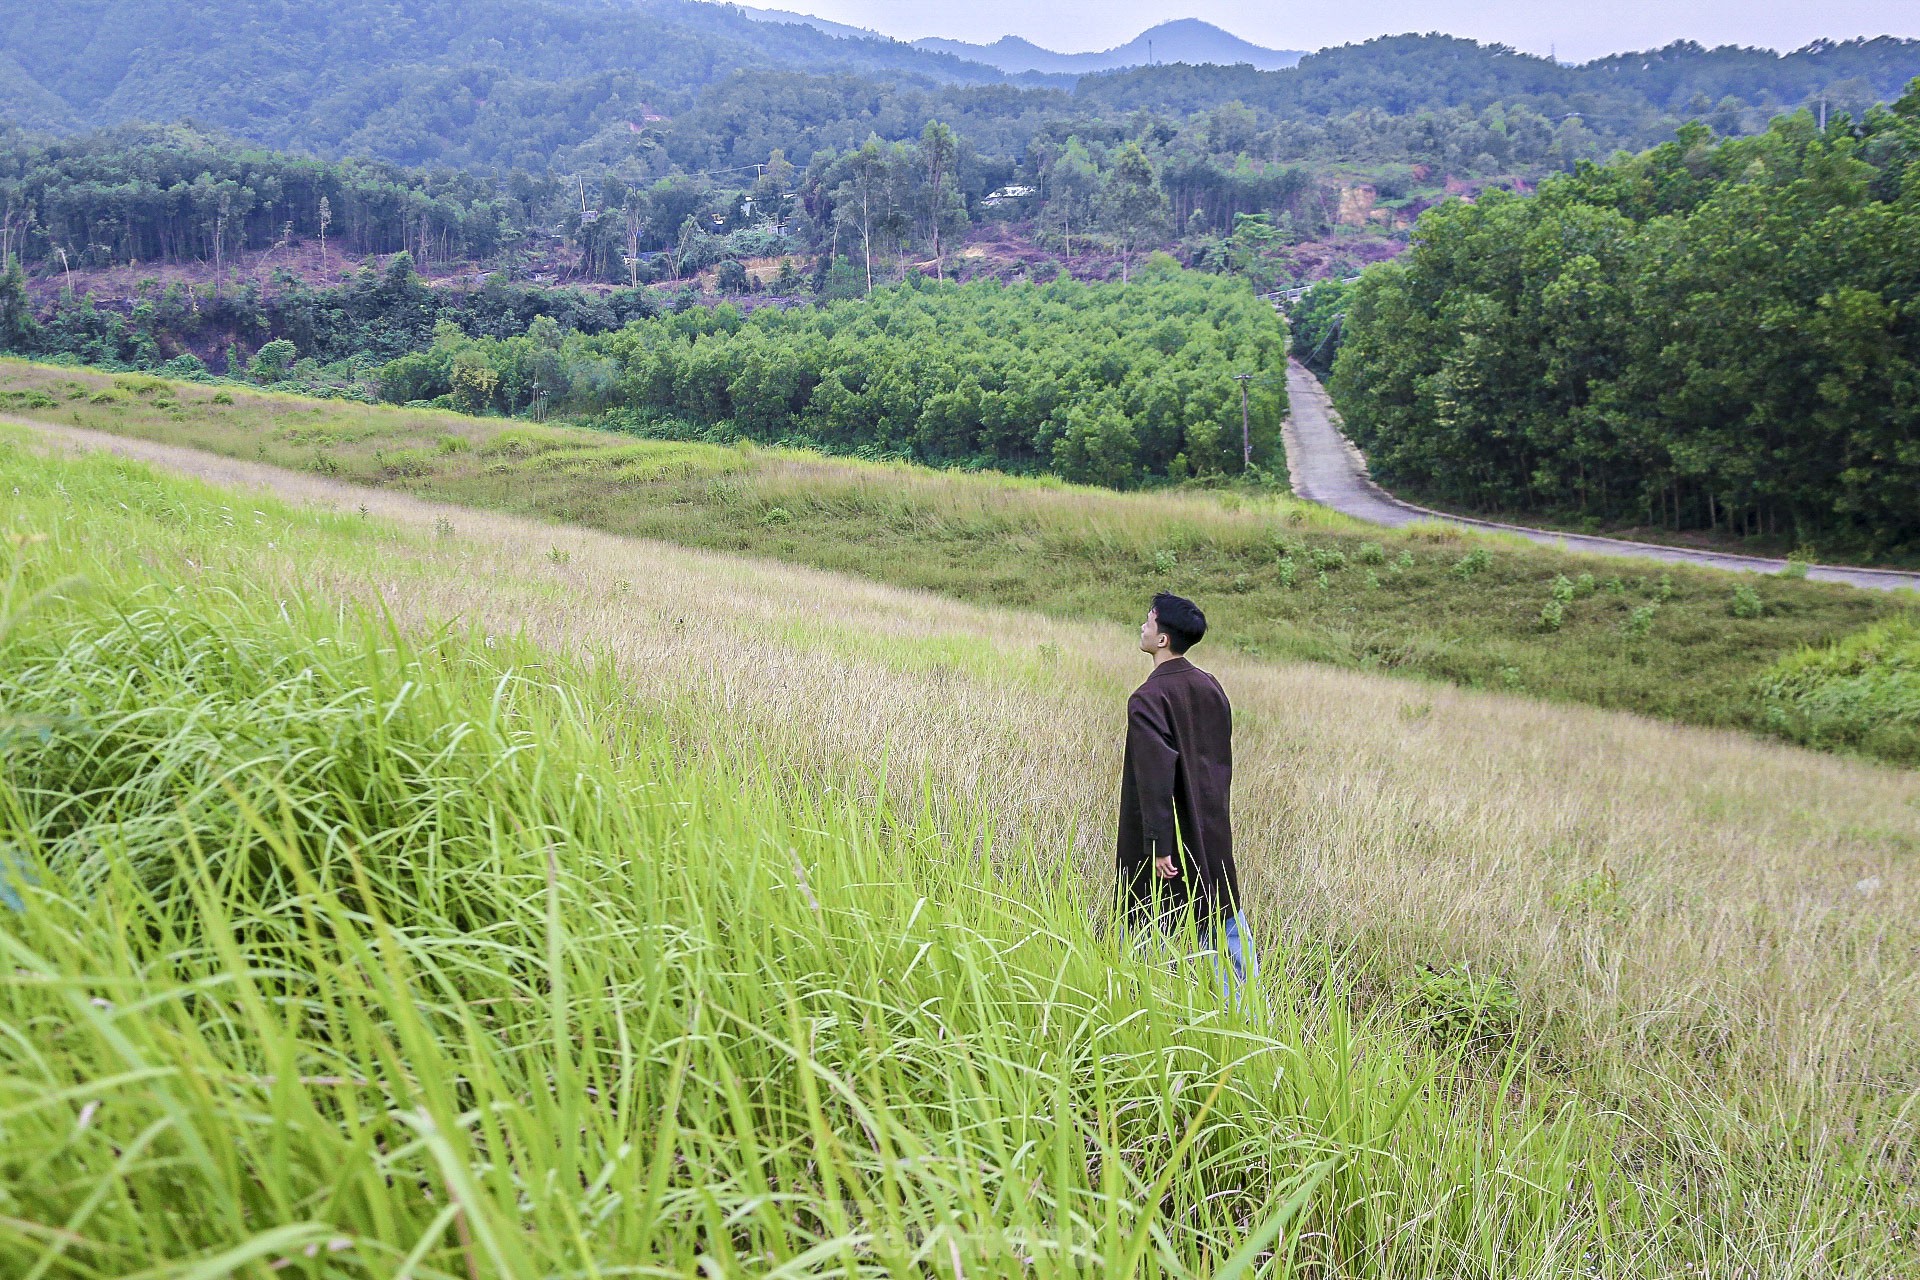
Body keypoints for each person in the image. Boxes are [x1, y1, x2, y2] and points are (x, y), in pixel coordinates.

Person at [1116, 592, 1255, 993]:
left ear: (1162, 639)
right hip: (1210, 831)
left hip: (1163, 843)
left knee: (1143, 924)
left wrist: (1159, 845)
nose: (1142, 626)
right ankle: (1247, 1015)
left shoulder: (1148, 698)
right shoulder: (1210, 686)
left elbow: (1154, 778)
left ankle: (1138, 1006)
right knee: (1222, 917)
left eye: (1148, 620)